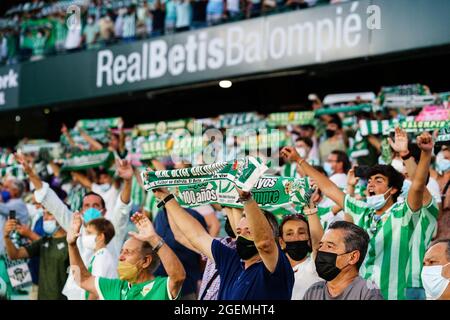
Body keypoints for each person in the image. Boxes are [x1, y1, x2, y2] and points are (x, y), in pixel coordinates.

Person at [281, 130, 438, 300]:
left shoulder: (404, 213)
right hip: (361, 294)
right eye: (369, 181)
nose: (370, 184)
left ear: (393, 189)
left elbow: (417, 187)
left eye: (378, 180)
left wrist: (415, 154)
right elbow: (328, 188)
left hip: (398, 295)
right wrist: (299, 160)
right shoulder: (362, 211)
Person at [148, 180, 294, 300]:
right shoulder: (231, 259)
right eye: (239, 232)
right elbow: (196, 235)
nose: (241, 237)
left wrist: (248, 200)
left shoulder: (277, 268)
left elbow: (264, 244)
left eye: (249, 231)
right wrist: (167, 198)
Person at [15, 154, 133, 300]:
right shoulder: (76, 226)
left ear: (104, 210)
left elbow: (122, 207)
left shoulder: (112, 229)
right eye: (87, 206)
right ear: (82, 210)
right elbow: (51, 200)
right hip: (76, 293)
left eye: (96, 205)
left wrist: (128, 181)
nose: (91, 209)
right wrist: (31, 173)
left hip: (106, 293)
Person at [66, 211, 185, 300]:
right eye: (121, 252)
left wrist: (154, 239)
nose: (120, 257)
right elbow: (83, 280)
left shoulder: (161, 287)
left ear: (145, 261)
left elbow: (178, 276)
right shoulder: (116, 287)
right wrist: (72, 245)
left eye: (127, 252)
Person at [303, 221, 383, 300]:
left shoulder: (367, 292)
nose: (321, 250)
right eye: (321, 245)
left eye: (329, 246)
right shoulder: (313, 292)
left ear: (353, 257)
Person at [3, 208, 69, 300]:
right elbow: (15, 255)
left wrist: (29, 233)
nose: (45, 218)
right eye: (44, 214)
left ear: (61, 215)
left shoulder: (71, 243)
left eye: (49, 214)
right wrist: (6, 237)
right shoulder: (44, 241)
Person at [153, 206, 208, 300]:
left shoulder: (193, 216)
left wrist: (200, 278)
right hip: (162, 286)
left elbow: (204, 253)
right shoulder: (160, 215)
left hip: (187, 287)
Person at [278, 188, 323, 299]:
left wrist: (310, 209)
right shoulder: (274, 269)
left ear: (309, 239)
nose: (296, 238)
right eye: (289, 234)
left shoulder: (314, 267)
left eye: (301, 232)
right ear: (281, 242)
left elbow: (319, 245)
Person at [82, 218, 117, 300]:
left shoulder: (102, 256)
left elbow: (96, 287)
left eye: (89, 233)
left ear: (101, 236)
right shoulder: (98, 255)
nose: (85, 236)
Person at [0, 178, 29, 256]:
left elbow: (3, 209)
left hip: (14, 248)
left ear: (15, 190)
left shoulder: (17, 204)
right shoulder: (9, 203)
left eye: (6, 188)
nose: (3, 190)